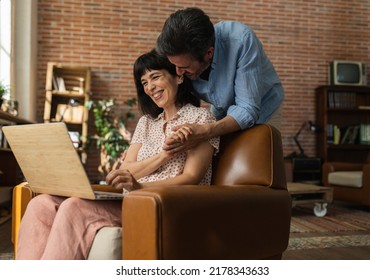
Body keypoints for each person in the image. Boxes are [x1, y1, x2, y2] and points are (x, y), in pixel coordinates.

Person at [15, 49, 219, 260]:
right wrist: (165, 155)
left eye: (155, 77)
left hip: (164, 203)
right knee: (41, 204)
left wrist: (140, 187)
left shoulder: (200, 119)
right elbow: (125, 170)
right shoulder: (146, 123)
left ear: (178, 75)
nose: (150, 87)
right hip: (130, 200)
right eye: (144, 83)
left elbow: (191, 178)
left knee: (74, 207)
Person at [156, 7, 284, 154]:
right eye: (174, 65)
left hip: (264, 106)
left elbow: (247, 109)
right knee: (220, 161)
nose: (178, 72)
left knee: (260, 161)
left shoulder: (241, 40)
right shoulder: (175, 54)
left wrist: (206, 130)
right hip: (221, 109)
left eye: (184, 67)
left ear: (208, 53)